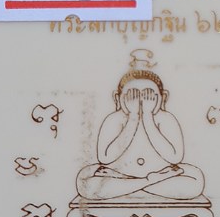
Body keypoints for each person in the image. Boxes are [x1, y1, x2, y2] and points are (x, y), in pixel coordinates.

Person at [76, 69, 204, 200]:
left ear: (163, 97)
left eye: (149, 96)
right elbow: (105, 158)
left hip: (160, 172)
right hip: (121, 173)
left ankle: (132, 185)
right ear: (117, 98)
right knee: (84, 181)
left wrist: (148, 118)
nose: (141, 102)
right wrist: (133, 118)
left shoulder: (166, 119)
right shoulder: (114, 119)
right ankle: (147, 182)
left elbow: (175, 158)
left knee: (196, 180)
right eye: (132, 96)